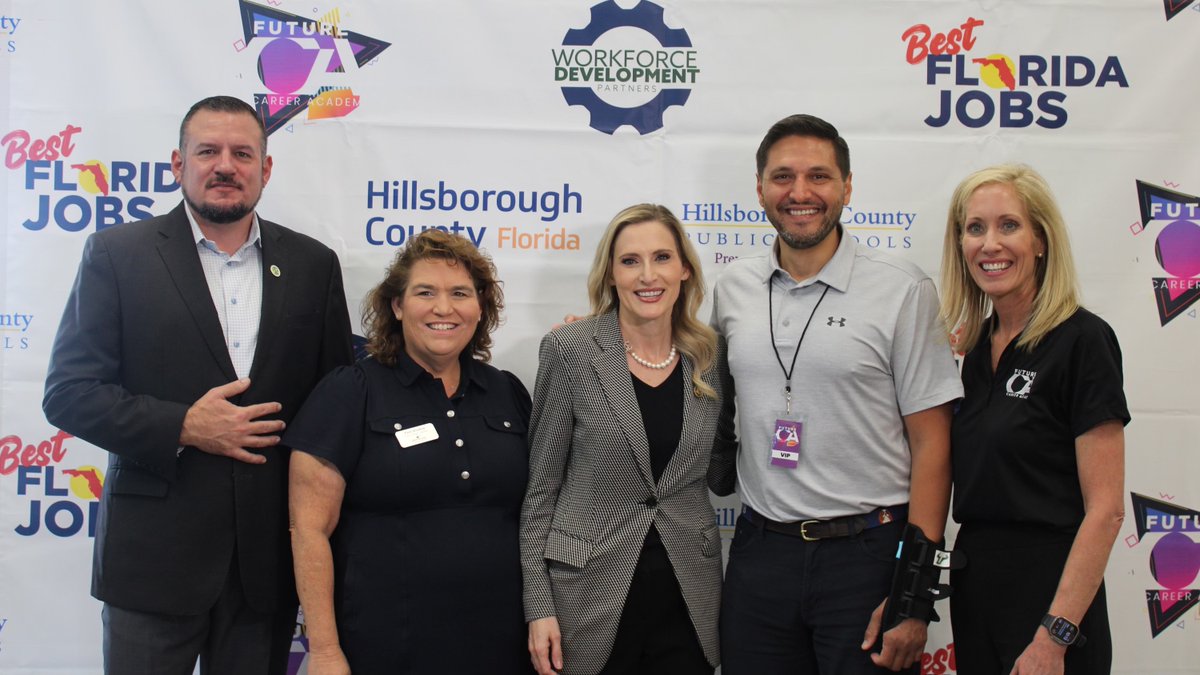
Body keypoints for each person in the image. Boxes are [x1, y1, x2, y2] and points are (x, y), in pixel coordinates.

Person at [42, 95, 354, 674]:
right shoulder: (118, 255)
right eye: (207, 151)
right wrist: (185, 425)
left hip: (265, 568)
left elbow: (334, 406)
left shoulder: (314, 265)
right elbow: (68, 392)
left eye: (242, 153)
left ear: (266, 168)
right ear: (176, 164)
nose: (225, 166)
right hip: (151, 564)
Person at [710, 114, 963, 674]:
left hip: (869, 557)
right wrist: (598, 337)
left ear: (848, 187)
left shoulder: (903, 289)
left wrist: (914, 592)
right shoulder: (731, 289)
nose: (800, 193)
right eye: (782, 177)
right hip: (759, 554)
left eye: (819, 177)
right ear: (759, 189)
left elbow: (933, 446)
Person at [286, 229, 533, 674]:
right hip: (385, 647)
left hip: (503, 646)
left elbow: (542, 512)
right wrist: (323, 650)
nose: (444, 308)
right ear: (397, 306)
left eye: (460, 293)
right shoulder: (350, 392)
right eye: (425, 292)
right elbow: (308, 530)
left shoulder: (507, 392)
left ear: (480, 308)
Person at [522, 204, 728, 675]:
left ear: (684, 270)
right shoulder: (571, 349)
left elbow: (721, 470)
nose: (647, 275)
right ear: (610, 275)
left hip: (688, 598)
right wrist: (538, 606)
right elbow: (540, 494)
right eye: (630, 261)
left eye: (661, 257)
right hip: (587, 595)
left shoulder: (710, 355)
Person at [940, 164, 1128, 674]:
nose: (989, 244)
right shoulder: (974, 350)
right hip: (976, 593)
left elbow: (1107, 509)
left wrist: (1056, 635)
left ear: (1041, 241)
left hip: (1051, 600)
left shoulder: (1082, 341)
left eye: (1009, 225)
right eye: (975, 228)